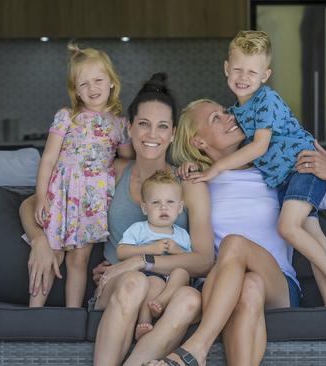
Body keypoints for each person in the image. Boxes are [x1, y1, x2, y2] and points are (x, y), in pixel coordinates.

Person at [20, 73, 215, 366]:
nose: (152, 135)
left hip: (169, 290)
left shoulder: (189, 182)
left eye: (162, 126)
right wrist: (38, 240)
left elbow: (203, 260)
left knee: (191, 299)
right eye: (144, 124)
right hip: (117, 284)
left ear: (173, 133)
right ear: (128, 127)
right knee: (134, 283)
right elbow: (31, 204)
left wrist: (141, 260)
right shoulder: (112, 172)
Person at [148, 99, 326, 366]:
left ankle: (197, 347)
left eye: (225, 112)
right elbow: (155, 210)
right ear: (198, 142)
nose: (230, 117)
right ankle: (195, 352)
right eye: (215, 118)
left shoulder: (275, 172)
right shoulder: (197, 182)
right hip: (218, 284)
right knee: (249, 285)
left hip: (278, 284)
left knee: (237, 248)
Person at [184, 30, 326, 307]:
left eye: (252, 72)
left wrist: (215, 169)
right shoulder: (239, 113)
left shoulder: (265, 101)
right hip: (285, 180)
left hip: (302, 169)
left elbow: (260, 147)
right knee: (312, 235)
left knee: (288, 227)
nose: (243, 77)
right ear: (226, 69)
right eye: (237, 69)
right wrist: (195, 164)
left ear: (265, 76)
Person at [24, 43, 134, 308]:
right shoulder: (66, 117)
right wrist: (41, 197)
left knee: (79, 260)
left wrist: (133, 133)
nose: (92, 88)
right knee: (53, 256)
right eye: (83, 84)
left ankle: (73, 316)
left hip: (92, 203)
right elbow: (48, 159)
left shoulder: (119, 124)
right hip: (61, 196)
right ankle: (32, 313)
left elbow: (129, 159)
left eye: (98, 80)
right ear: (75, 90)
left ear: (111, 82)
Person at [116, 169, 192, 341]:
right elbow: (121, 251)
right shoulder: (139, 229)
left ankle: (162, 301)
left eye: (170, 202)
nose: (163, 207)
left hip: (172, 282)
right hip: (149, 276)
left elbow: (190, 259)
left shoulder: (182, 235)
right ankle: (144, 323)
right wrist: (149, 249)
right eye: (156, 202)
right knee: (154, 283)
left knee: (182, 273)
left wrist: (177, 251)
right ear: (144, 208)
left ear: (180, 208)